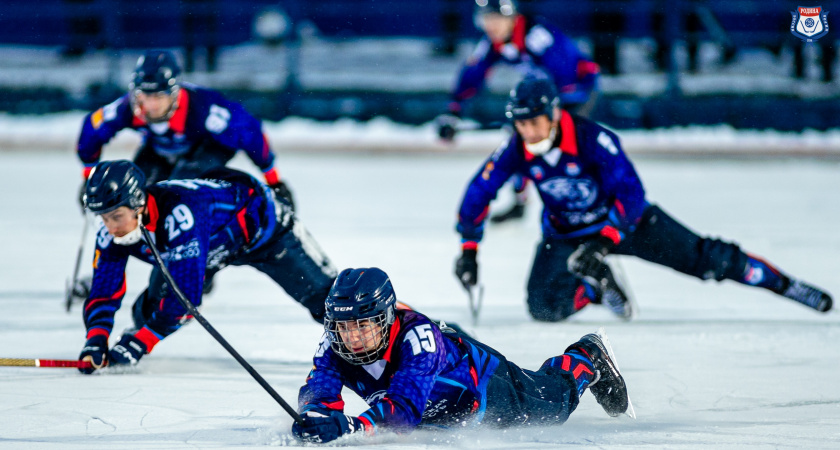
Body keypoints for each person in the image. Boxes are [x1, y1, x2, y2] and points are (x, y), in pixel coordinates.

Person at [453, 75, 833, 322]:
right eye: (519, 123)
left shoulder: (592, 140)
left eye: (533, 121)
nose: (528, 132)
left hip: (627, 225)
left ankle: (785, 285)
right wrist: (469, 249)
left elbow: (632, 194)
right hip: (566, 234)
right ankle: (594, 286)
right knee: (544, 307)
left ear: (553, 112)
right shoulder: (516, 148)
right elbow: (479, 191)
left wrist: (605, 241)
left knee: (706, 260)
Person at [291, 268, 631, 443]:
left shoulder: (417, 338)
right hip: (441, 411)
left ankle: (586, 357)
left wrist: (352, 426)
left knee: (553, 406)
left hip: (482, 385)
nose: (352, 338)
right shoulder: (335, 345)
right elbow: (320, 388)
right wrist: (315, 417)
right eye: (343, 326)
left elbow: (404, 408)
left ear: (386, 317)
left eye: (363, 325)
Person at [77, 160, 336, 374]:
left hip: (269, 236)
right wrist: (96, 338)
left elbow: (186, 300)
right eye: (103, 217)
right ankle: (137, 336)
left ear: (138, 204)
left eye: (116, 217)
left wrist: (142, 343)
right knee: (155, 306)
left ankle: (367, 349)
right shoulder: (114, 231)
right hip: (210, 246)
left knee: (327, 302)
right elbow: (104, 288)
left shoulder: (181, 214)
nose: (110, 227)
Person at [436, 0, 601, 223]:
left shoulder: (537, 37)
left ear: (512, 18)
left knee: (567, 145)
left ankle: (589, 203)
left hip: (576, 91)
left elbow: (567, 76)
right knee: (523, 142)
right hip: (546, 92)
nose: (490, 25)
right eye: (486, 19)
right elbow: (472, 75)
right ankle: (521, 202)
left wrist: (539, 118)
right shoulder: (494, 41)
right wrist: (453, 111)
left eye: (496, 19)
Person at [76, 50, 294, 207]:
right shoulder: (127, 108)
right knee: (133, 189)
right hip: (160, 148)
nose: (149, 106)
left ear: (175, 94)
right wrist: (90, 177)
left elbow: (250, 133)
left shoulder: (205, 110)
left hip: (210, 146)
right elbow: (92, 129)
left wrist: (274, 181)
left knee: (183, 187)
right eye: (143, 96)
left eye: (158, 97)